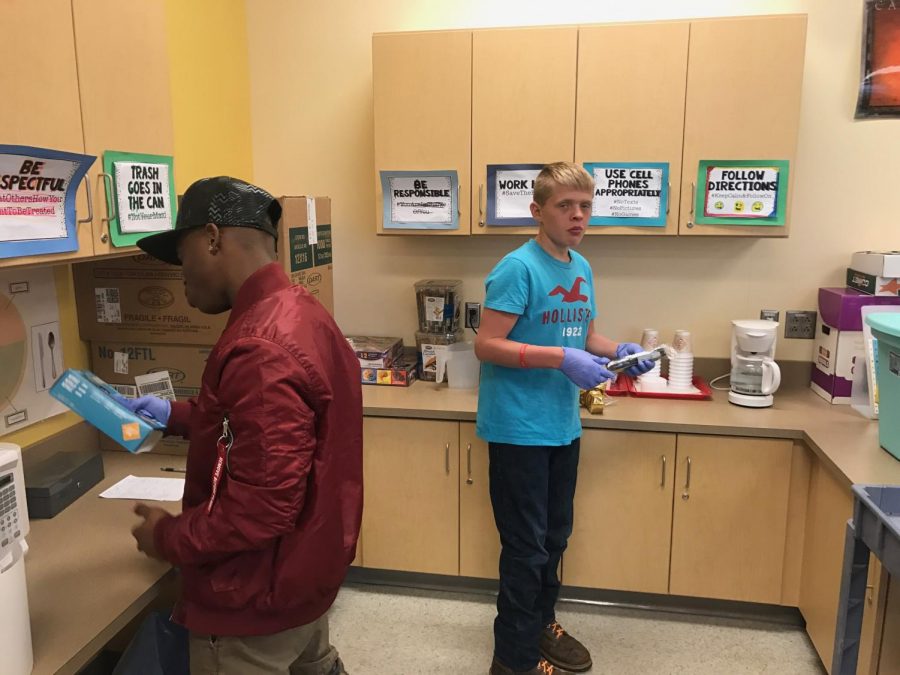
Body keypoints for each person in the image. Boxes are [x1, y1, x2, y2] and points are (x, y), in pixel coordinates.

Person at [120, 176, 362, 675]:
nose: (180, 273)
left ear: (212, 238)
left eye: (182, 254)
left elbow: (261, 509)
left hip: (251, 600)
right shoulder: (300, 312)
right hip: (304, 573)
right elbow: (260, 424)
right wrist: (178, 415)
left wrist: (167, 537)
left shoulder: (261, 346)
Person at [474, 162, 654, 675]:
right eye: (565, 206)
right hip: (517, 428)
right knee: (525, 550)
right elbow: (487, 344)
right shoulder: (517, 267)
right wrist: (559, 358)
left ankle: (540, 624)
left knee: (555, 539)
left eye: (586, 206)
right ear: (537, 211)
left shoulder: (580, 266)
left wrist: (618, 348)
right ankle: (514, 660)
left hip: (561, 424)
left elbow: (584, 337)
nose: (578, 215)